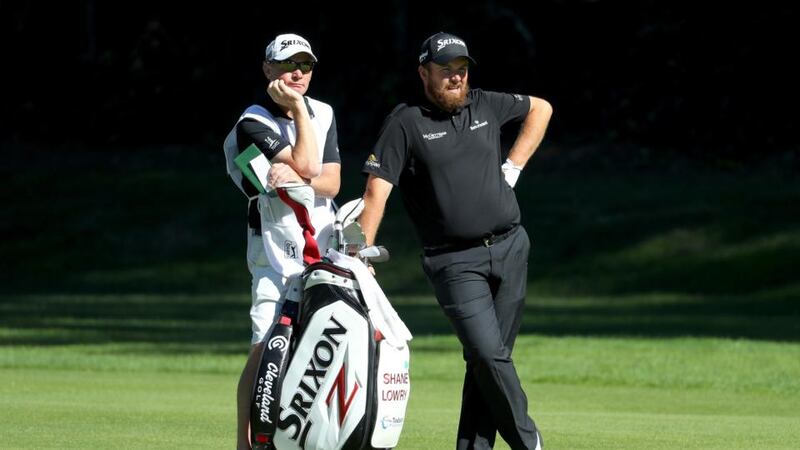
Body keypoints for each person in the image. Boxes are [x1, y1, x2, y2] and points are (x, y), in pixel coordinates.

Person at [359, 31, 552, 450]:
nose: (456, 78)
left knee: (488, 365)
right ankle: (529, 442)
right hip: (454, 263)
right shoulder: (406, 122)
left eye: (461, 70)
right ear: (423, 73)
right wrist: (362, 256)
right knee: (487, 355)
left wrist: (513, 167)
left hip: (511, 248)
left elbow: (541, 108)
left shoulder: (485, 104)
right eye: (446, 70)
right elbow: (376, 189)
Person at [221, 33, 341, 450]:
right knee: (263, 351)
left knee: (321, 348)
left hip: (323, 250)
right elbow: (311, 165)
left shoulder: (323, 112)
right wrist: (295, 112)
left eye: (306, 66)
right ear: (268, 70)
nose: (298, 73)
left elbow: (331, 181)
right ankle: (244, 443)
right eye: (289, 65)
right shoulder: (250, 123)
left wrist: (302, 167)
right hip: (273, 256)